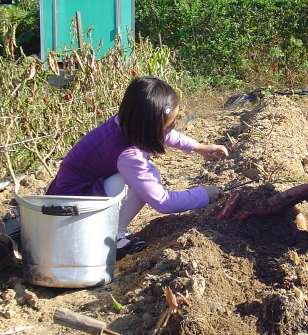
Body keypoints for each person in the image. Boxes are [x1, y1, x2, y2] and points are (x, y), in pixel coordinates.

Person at [46, 76, 228, 260]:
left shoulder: (126, 124)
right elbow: (164, 202)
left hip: (66, 196)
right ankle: (110, 239)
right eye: (170, 124)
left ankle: (111, 231)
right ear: (151, 127)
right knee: (143, 180)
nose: (173, 126)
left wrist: (198, 147)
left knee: (137, 177)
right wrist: (204, 194)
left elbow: (162, 134)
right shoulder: (129, 154)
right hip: (71, 211)